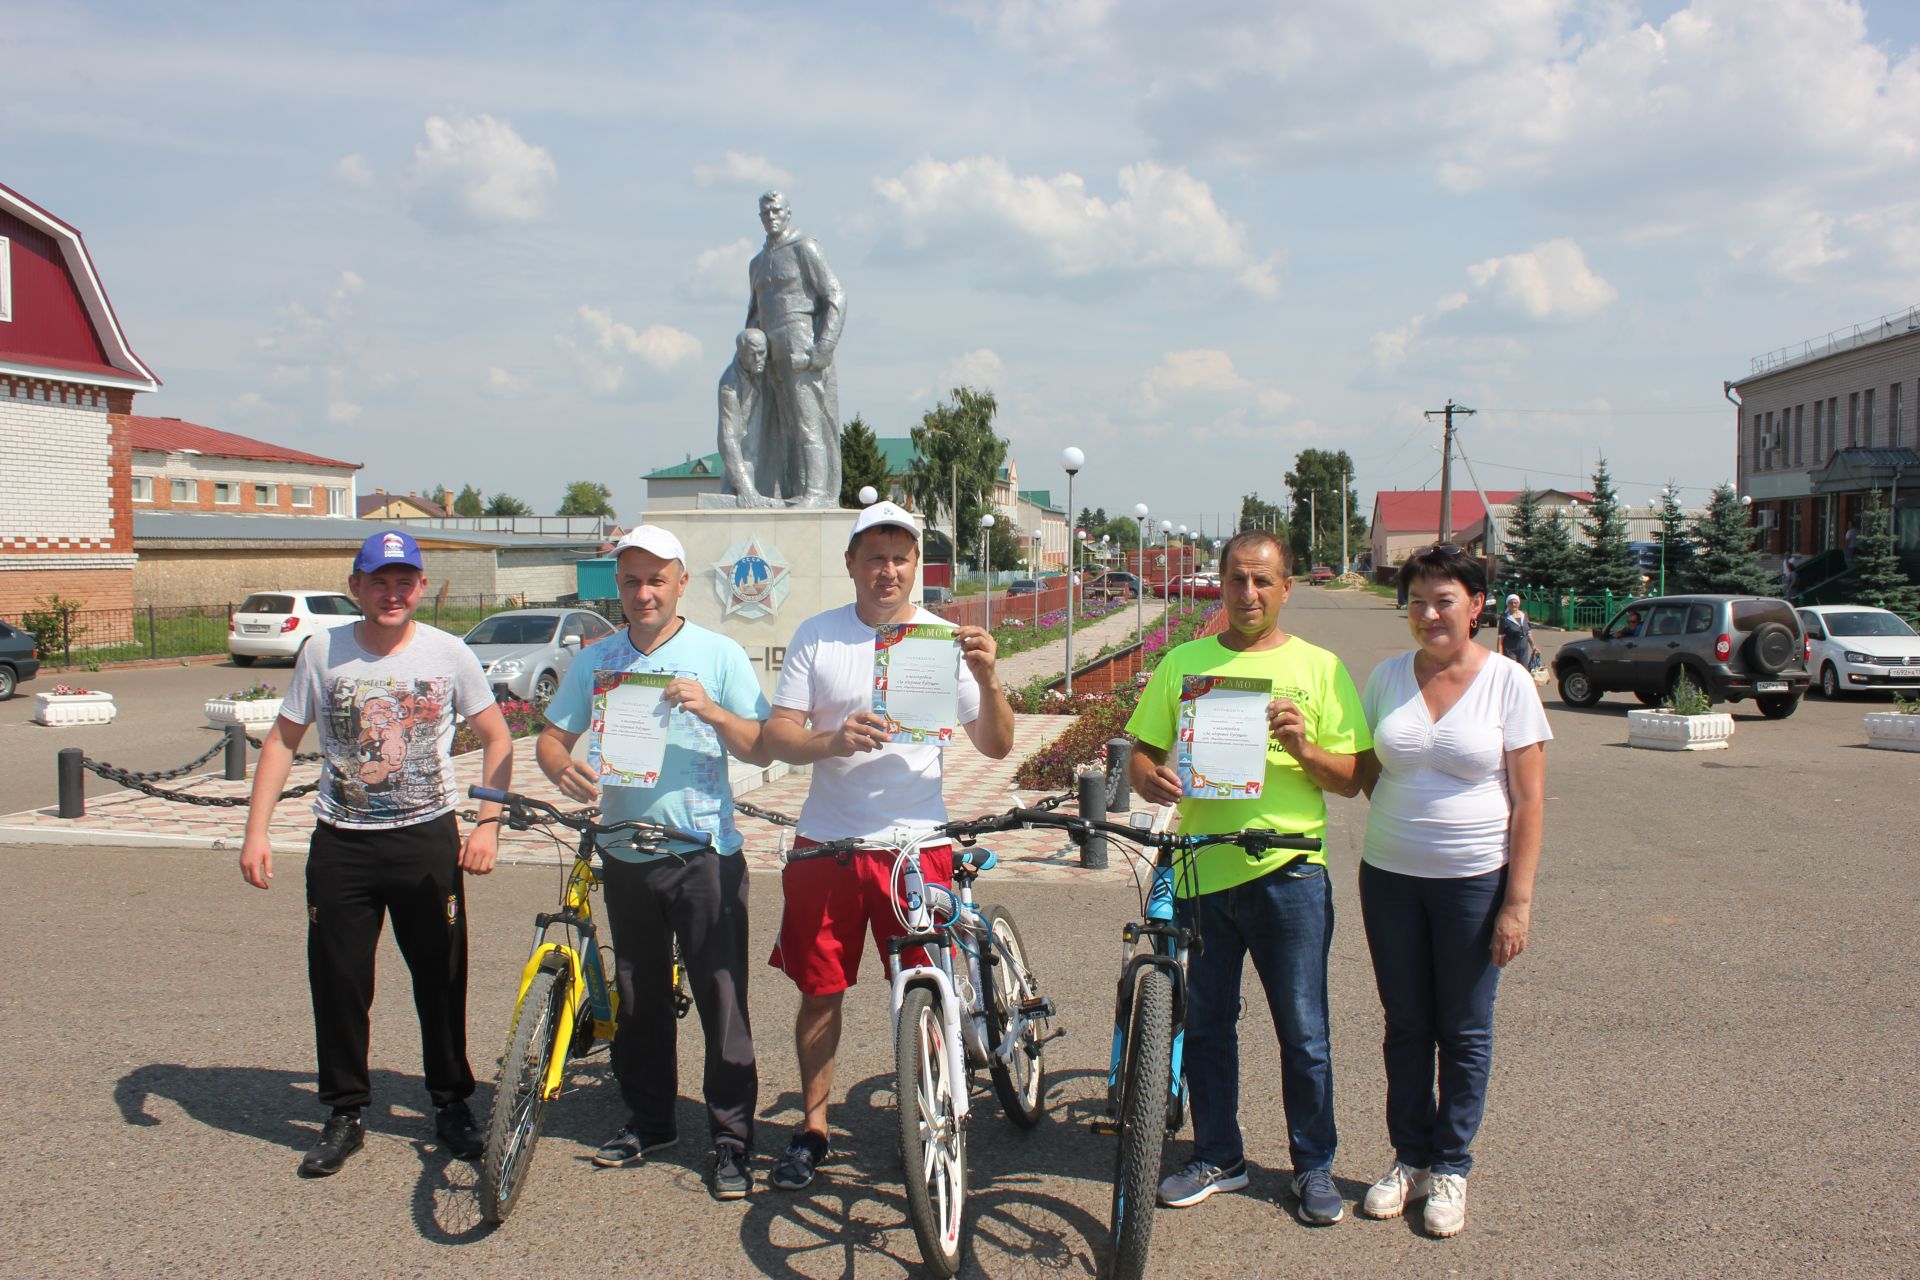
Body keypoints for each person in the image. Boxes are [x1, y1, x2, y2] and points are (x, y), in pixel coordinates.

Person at [239, 529, 512, 1178]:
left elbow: (498, 740)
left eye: (403, 581)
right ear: (356, 587)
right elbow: (281, 741)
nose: (391, 593)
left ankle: (450, 1103)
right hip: (343, 846)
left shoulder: (449, 655)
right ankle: (343, 1112)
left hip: (426, 842)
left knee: (442, 980)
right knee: (338, 981)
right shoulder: (322, 652)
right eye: (377, 581)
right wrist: (257, 831)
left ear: (420, 587)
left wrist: (488, 825)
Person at [762, 501, 1015, 1189]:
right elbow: (776, 736)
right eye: (875, 556)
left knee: (920, 991)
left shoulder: (942, 639)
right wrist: (832, 739)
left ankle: (929, 1115)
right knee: (821, 991)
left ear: (916, 566)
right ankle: (813, 1127)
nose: (888, 570)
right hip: (829, 847)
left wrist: (990, 676)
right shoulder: (819, 636)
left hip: (915, 847)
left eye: (901, 557)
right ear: (851, 563)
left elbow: (996, 744)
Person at [1125, 529, 1371, 1225]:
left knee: (1303, 1029)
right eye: (1237, 579)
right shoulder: (1186, 663)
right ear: (1220, 584)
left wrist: (1302, 746)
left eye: (1263, 581)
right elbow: (1139, 759)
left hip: (1290, 869)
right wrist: (1155, 781)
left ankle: (1313, 1167)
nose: (1249, 593)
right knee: (1206, 1024)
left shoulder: (1319, 668)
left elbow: (1354, 779)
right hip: (1204, 866)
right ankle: (1218, 1154)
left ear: (1287, 587)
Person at [536, 525, 772, 1200]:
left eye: (657, 580)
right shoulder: (598, 660)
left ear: (680, 583)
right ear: (620, 586)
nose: (644, 593)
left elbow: (759, 747)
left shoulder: (718, 654)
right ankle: (650, 1119)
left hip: (702, 854)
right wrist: (561, 771)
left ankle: (731, 1141)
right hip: (624, 850)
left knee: (722, 1000)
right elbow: (552, 740)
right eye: (633, 581)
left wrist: (713, 710)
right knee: (637, 997)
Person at [1352, 543, 1551, 1238]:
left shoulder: (1508, 683)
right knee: (1405, 1024)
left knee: (1463, 1030)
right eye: (1417, 602)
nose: (1429, 614)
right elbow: (1369, 771)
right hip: (1390, 879)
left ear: (1476, 605)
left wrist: (1516, 902)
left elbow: (1529, 802)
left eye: (1444, 600)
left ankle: (1452, 1168)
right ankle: (1409, 1158)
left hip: (1474, 885)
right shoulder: (1385, 677)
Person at [747, 190, 845, 507]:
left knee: (807, 424)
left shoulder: (805, 248)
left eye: (777, 211)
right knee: (778, 428)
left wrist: (823, 349)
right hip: (768, 350)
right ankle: (786, 490)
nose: (771, 217)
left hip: (800, 341)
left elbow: (836, 297)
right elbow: (753, 313)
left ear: (788, 213)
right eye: (766, 213)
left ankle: (816, 492)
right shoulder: (758, 263)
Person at [717, 328, 780, 506]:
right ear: (741, 353)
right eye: (753, 354)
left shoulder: (769, 370)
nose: (759, 359)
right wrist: (746, 487)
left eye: (762, 353)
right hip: (745, 464)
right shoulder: (729, 385)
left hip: (768, 453)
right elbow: (727, 439)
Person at [1496, 594, 1534, 670]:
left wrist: (1534, 647)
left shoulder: (1524, 614)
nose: (1514, 605)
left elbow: (1529, 633)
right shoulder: (1504, 617)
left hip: (1523, 650)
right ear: (1507, 604)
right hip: (1510, 650)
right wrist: (1499, 653)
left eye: (1515, 603)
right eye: (1511, 603)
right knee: (1513, 670)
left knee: (1524, 671)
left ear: (1519, 604)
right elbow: (1500, 637)